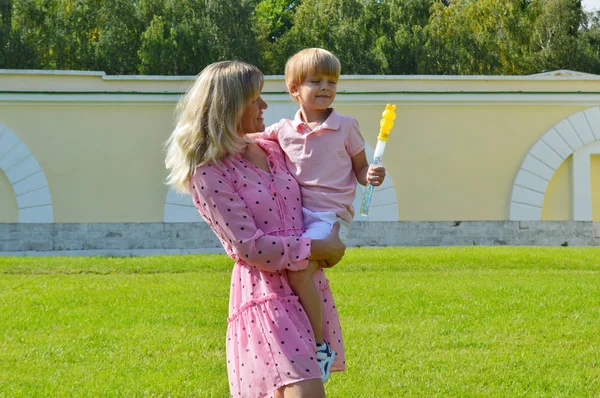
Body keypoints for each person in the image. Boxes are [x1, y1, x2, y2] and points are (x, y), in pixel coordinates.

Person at [164, 60, 346, 398]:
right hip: (266, 294)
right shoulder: (208, 174)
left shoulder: (272, 147)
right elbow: (251, 247)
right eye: (255, 99)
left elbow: (321, 157)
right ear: (229, 106)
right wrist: (321, 249)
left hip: (305, 282)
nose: (264, 106)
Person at [254, 48, 386, 382]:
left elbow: (359, 169)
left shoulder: (347, 127)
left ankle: (317, 345)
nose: (326, 87)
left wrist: (370, 175)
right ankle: (299, 338)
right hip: (293, 215)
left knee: (299, 273)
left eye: (332, 81)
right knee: (297, 277)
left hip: (328, 215)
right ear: (294, 89)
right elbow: (248, 143)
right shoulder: (282, 130)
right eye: (316, 81)